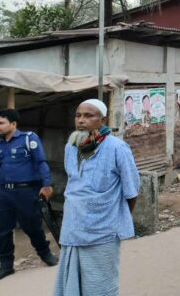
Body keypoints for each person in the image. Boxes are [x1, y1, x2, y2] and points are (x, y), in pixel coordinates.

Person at [53, 99, 140, 296]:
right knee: (71, 281)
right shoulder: (71, 147)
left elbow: (132, 191)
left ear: (102, 120)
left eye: (88, 116)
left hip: (103, 228)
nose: (81, 120)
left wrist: (117, 219)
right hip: (73, 225)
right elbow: (74, 183)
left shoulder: (117, 148)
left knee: (100, 284)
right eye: (78, 115)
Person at [0, 109, 58, 280]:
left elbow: (41, 162)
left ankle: (46, 255)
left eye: (1, 123)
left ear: (13, 124)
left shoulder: (28, 138)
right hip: (3, 193)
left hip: (25, 191)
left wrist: (46, 185)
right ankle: (6, 265)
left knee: (32, 226)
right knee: (2, 231)